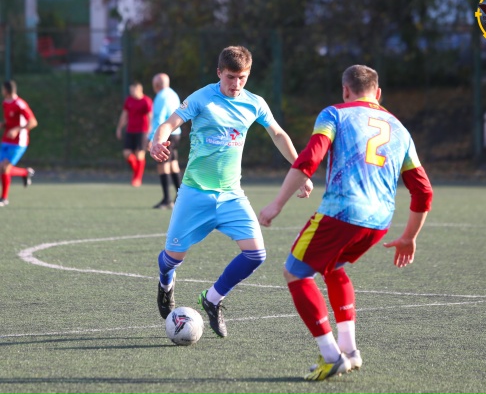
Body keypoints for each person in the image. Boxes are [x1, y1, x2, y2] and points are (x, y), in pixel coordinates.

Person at [259, 65, 433, 381]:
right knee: (334, 268)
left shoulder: (334, 114)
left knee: (295, 272)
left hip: (341, 212)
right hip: (379, 221)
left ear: (345, 90)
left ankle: (331, 355)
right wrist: (409, 236)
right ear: (378, 94)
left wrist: (277, 204)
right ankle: (350, 350)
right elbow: (423, 191)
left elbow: (310, 159)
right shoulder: (400, 130)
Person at [150, 45, 313, 337]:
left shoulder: (255, 103)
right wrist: (156, 141)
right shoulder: (201, 98)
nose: (236, 84)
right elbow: (169, 124)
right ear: (219, 73)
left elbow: (278, 134)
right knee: (172, 258)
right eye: (230, 77)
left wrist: (301, 169)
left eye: (242, 78)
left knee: (256, 254)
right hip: (195, 193)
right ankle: (165, 282)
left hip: (231, 195)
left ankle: (212, 299)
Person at [0, 80, 38, 207]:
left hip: (19, 142)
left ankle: (4, 199)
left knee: (5, 168)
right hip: (6, 139)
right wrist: (3, 125)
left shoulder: (20, 104)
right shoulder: (5, 103)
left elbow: (33, 122)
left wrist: (17, 129)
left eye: (2, 89)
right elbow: (9, 120)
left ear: (6, 90)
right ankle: (25, 173)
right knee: (2, 168)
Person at [148, 73, 182, 209]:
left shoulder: (160, 96)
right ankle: (180, 197)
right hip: (177, 133)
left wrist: (153, 138)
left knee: (162, 165)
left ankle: (167, 199)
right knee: (173, 164)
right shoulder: (173, 94)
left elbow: (159, 119)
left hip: (166, 135)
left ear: (156, 85)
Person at [116, 81, 153, 187]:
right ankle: (137, 173)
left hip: (142, 131)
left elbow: (150, 117)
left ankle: (137, 178)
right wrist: (119, 128)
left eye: (133, 90)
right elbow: (124, 115)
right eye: (130, 90)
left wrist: (150, 131)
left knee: (139, 154)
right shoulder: (129, 100)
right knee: (126, 154)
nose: (132, 92)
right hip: (130, 130)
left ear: (140, 90)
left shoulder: (146, 101)